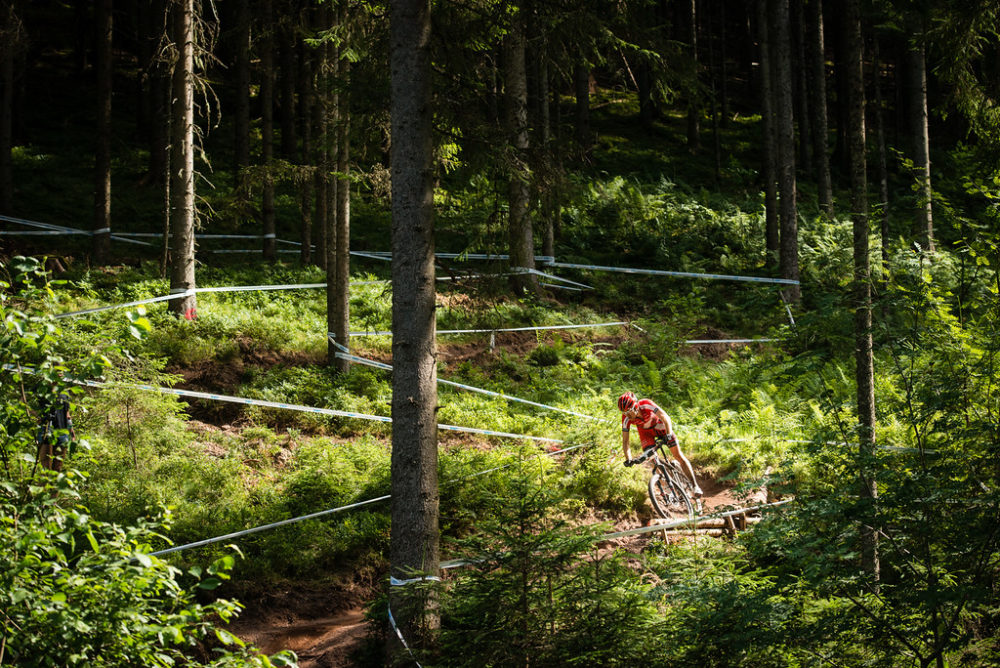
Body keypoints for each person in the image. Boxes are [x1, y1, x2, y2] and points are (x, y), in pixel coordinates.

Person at [618, 391, 702, 497]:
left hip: (660, 426)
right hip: (645, 433)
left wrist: (669, 434)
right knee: (653, 459)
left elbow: (665, 417)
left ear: (635, 406)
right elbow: (626, 441)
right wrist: (628, 458)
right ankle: (668, 489)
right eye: (624, 413)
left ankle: (695, 486)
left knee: (678, 455)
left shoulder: (646, 404)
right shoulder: (625, 418)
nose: (627, 415)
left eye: (629, 411)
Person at [36, 388, 75, 472]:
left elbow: (67, 413)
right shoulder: (42, 387)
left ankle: (55, 484)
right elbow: (25, 402)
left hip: (62, 431)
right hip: (46, 430)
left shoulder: (65, 391)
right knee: (46, 466)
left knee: (58, 466)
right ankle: (44, 484)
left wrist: (71, 431)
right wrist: (36, 417)